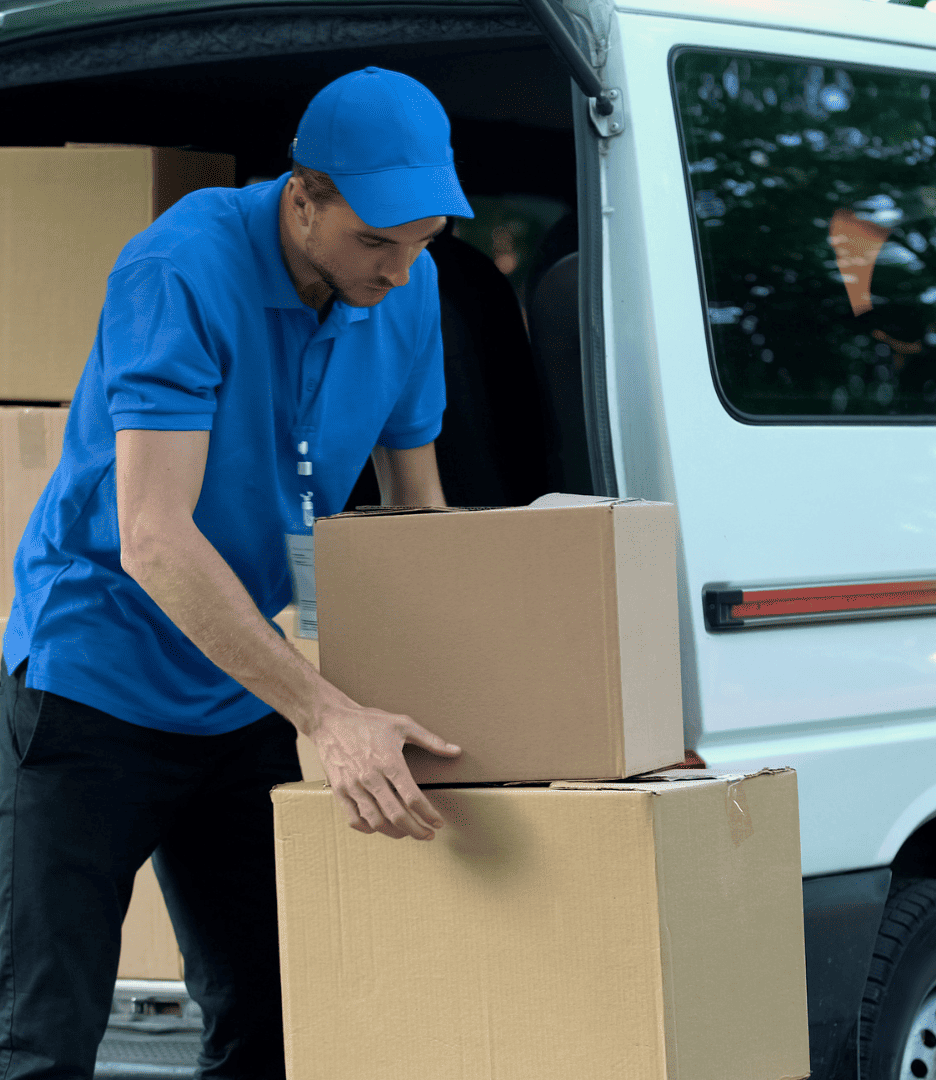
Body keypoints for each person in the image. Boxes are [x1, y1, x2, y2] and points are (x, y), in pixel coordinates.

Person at [0, 67, 471, 1080]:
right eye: (375, 240)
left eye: (422, 240)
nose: (398, 270)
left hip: (238, 685)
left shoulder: (408, 287)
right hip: (95, 678)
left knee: (273, 1017)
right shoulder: (179, 268)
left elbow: (416, 517)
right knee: (42, 1035)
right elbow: (156, 540)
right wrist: (327, 714)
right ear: (303, 198)